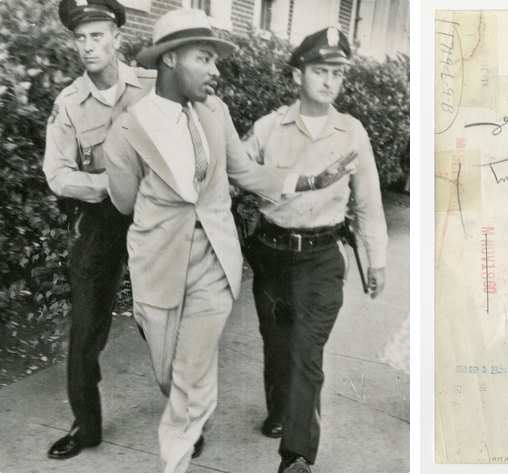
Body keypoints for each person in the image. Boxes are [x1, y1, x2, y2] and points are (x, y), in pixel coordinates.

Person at [103, 9, 355, 472]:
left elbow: (246, 172)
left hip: (214, 263)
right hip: (157, 266)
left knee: (190, 378)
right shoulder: (126, 129)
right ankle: (192, 413)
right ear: (171, 59)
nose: (216, 71)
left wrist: (308, 180)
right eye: (206, 58)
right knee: (171, 375)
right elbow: (123, 201)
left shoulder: (215, 111)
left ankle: (175, 458)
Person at [242, 26, 388, 473]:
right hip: (271, 251)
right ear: (296, 76)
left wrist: (375, 260)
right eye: (319, 71)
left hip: (323, 258)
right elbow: (236, 174)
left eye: (337, 74)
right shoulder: (268, 129)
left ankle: (298, 455)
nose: (329, 81)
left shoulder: (352, 133)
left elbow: (368, 202)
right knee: (277, 341)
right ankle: (282, 411)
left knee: (307, 351)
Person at [42, 0, 156, 460]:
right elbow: (57, 173)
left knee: (165, 324)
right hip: (102, 220)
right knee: (86, 328)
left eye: (97, 35)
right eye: (80, 37)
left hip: (154, 218)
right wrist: (108, 185)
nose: (88, 46)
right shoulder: (68, 102)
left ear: (116, 39)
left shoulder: (152, 89)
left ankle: (187, 416)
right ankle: (85, 425)